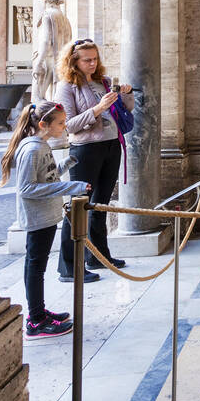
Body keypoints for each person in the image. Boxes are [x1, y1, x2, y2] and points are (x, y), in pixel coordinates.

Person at [0, 102, 89, 339]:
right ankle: (36, 319)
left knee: (38, 267)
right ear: (43, 124)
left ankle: (40, 311)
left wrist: (67, 164)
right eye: (60, 123)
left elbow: (47, 176)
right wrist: (72, 186)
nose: (64, 126)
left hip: (47, 214)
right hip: (37, 217)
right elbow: (28, 188)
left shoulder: (42, 145)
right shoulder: (32, 149)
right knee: (35, 267)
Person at [55, 38, 134, 280]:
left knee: (100, 204)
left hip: (111, 145)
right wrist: (97, 109)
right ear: (74, 62)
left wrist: (126, 95)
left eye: (95, 59)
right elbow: (68, 125)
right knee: (78, 206)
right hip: (85, 150)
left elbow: (124, 110)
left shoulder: (104, 82)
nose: (92, 63)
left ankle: (99, 256)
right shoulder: (67, 87)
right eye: (86, 60)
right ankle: (68, 266)